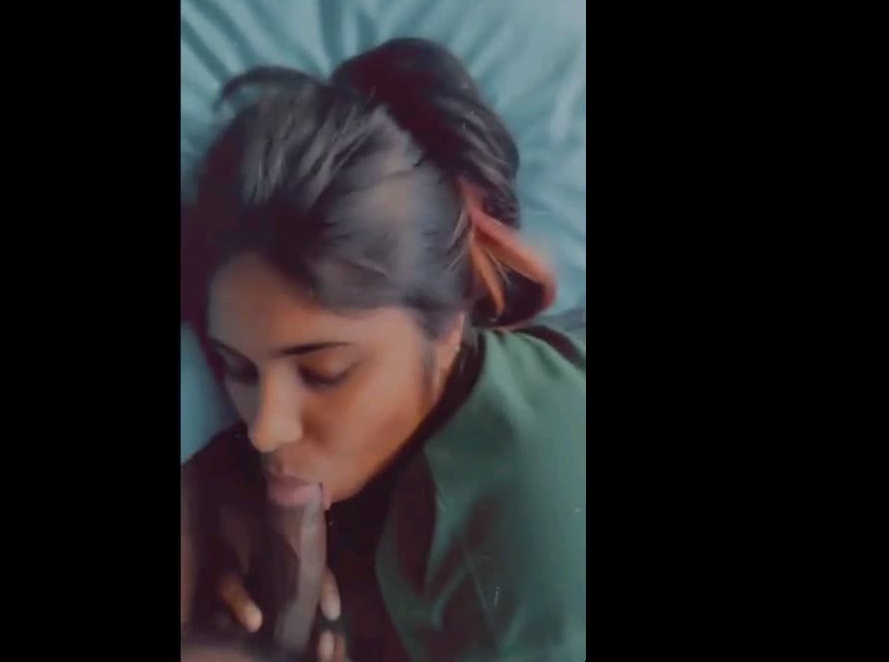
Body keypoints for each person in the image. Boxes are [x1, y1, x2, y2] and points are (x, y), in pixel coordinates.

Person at [181, 38, 586, 662]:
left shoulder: (526, 552)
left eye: (324, 372)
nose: (265, 429)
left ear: (448, 327)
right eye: (239, 368)